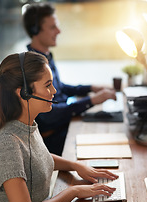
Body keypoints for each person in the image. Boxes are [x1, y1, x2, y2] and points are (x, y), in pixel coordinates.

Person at [0, 51, 118, 202]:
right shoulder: (6, 143)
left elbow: (37, 157)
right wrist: (74, 191)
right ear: (24, 93)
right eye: (48, 85)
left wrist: (77, 166)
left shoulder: (27, 126)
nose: (54, 91)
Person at [23, 3, 116, 156]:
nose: (59, 31)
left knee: (104, 134)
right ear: (35, 30)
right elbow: (49, 116)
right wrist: (91, 101)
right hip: (53, 137)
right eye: (53, 27)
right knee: (101, 142)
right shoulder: (31, 66)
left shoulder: (45, 56)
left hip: (63, 123)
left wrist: (91, 88)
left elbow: (60, 87)